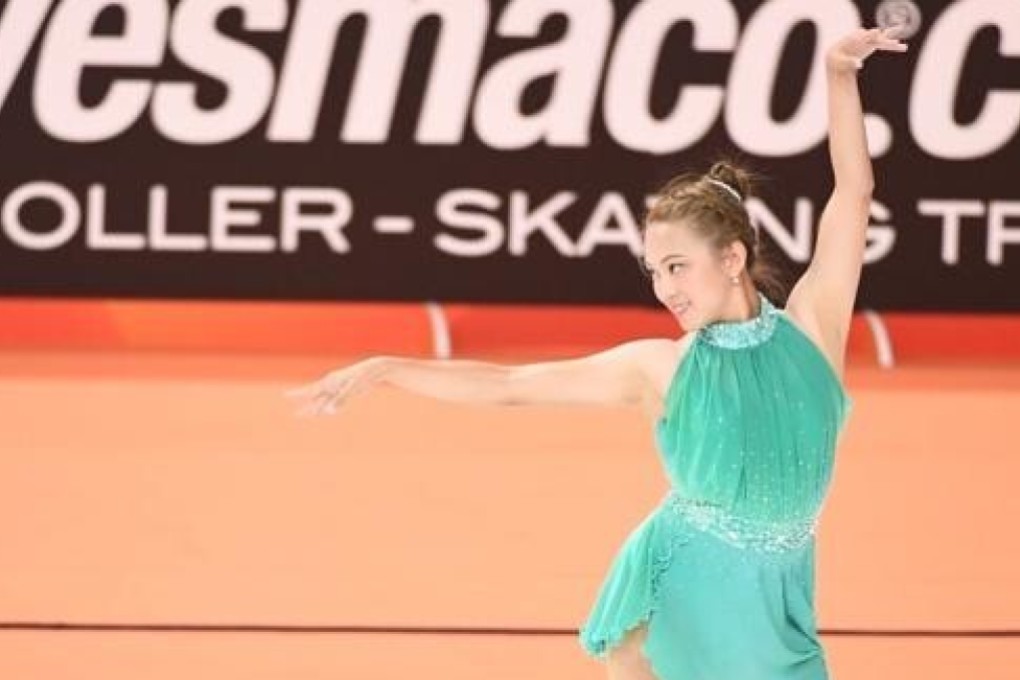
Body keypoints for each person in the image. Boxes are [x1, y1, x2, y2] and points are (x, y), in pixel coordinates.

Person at [286, 25, 907, 680]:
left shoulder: (814, 328)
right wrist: (387, 369)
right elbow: (512, 385)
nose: (665, 289)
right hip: (681, 574)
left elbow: (852, 194)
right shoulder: (661, 368)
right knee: (636, 657)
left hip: (776, 598)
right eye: (653, 272)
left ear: (732, 258)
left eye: (676, 266)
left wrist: (839, 77)